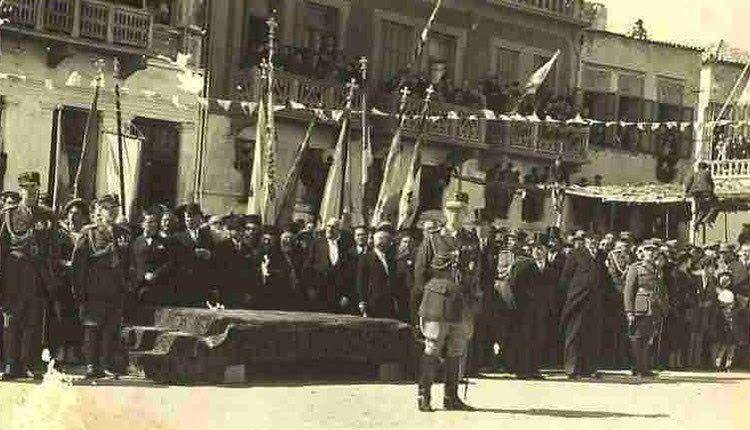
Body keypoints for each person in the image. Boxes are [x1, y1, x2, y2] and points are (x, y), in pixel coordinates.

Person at [415, 191, 482, 412]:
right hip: (438, 301)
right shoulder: (433, 238)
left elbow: (476, 272)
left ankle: (451, 397)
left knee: (456, 349)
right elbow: (421, 273)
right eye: (452, 210)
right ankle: (424, 396)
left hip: (462, 303)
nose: (456, 215)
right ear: (445, 212)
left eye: (460, 211)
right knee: (432, 347)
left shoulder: (472, 239)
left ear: (466, 213)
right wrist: (430, 297)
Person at [0, 172, 57, 380]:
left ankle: (26, 364)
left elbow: (53, 248)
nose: (31, 191)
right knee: (11, 320)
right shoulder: (8, 214)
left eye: (34, 187)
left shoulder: (47, 215)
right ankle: (9, 364)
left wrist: (51, 276)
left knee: (32, 322)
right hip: (13, 274)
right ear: (20, 190)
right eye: (26, 188)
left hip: (36, 274)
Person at [70, 194, 131, 379]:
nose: (112, 213)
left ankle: (105, 365)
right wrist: (79, 293)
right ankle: (90, 365)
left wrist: (127, 282)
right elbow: (78, 265)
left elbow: (129, 263)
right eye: (108, 209)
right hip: (94, 289)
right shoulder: (89, 233)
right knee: (92, 329)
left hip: (115, 288)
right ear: (100, 211)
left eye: (115, 209)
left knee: (110, 330)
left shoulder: (123, 233)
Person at [560, 230, 607, 379]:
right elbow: (565, 278)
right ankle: (571, 368)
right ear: (585, 241)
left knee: (590, 334)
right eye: (590, 239)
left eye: (596, 239)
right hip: (578, 300)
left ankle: (587, 368)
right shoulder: (576, 254)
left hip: (594, 302)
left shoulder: (600, 256)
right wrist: (572, 296)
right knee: (574, 334)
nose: (593, 241)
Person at [50, 198, 90, 366]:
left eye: (78, 214)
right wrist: (63, 263)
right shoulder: (60, 234)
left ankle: (74, 350)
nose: (74, 217)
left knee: (78, 316)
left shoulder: (88, 235)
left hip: (82, 282)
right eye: (71, 213)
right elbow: (52, 256)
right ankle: (60, 351)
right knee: (61, 315)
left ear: (84, 217)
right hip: (63, 281)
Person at [624, 240, 666, 380]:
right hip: (640, 305)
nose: (651, 253)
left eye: (653, 251)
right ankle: (638, 367)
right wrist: (629, 311)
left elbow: (660, 288)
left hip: (653, 306)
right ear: (642, 252)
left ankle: (645, 367)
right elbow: (629, 290)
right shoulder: (636, 268)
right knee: (637, 338)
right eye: (648, 250)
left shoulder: (657, 269)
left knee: (648, 338)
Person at [505, 239, 546, 379]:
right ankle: (524, 369)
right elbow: (515, 283)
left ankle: (527, 368)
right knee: (526, 338)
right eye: (534, 249)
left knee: (530, 337)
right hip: (526, 306)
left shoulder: (526, 263)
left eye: (540, 249)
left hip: (528, 306)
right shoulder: (526, 263)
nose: (538, 251)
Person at [304, 218, 353, 312]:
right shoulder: (317, 244)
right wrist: (310, 288)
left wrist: (347, 295)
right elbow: (307, 267)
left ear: (339, 230)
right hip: (319, 293)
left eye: (333, 227)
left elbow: (350, 272)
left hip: (338, 295)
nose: (330, 229)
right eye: (328, 226)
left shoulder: (346, 246)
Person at [131, 206, 176, 307]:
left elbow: (169, 262)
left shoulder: (163, 241)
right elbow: (132, 263)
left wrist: (156, 274)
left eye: (155, 222)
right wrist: (143, 275)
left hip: (159, 284)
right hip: (140, 284)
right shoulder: (135, 242)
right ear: (142, 225)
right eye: (149, 222)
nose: (153, 225)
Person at [174, 203, 214, 307]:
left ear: (199, 218)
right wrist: (193, 254)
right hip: (184, 280)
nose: (189, 221)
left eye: (192, 217)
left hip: (202, 281)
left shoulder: (207, 236)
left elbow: (214, 256)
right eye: (187, 218)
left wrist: (209, 255)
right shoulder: (178, 236)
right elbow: (176, 257)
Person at [356, 225, 397, 319]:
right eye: (388, 240)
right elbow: (361, 280)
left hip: (388, 302)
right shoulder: (366, 258)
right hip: (373, 302)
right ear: (380, 241)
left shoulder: (389, 259)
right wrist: (362, 301)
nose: (390, 244)